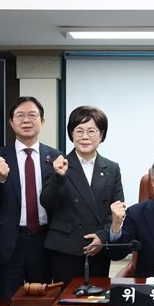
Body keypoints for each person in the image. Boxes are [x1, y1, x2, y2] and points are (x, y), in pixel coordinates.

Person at [0, 96, 62, 299]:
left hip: (44, 242)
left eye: (32, 115)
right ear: (11, 122)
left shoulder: (55, 157)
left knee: (42, 301)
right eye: (20, 115)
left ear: (42, 121)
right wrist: (0, 178)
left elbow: (59, 200)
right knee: (8, 302)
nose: (26, 120)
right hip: (10, 241)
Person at [39, 106, 124, 286]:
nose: (85, 136)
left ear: (101, 135)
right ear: (71, 134)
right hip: (65, 248)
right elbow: (46, 202)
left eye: (91, 131)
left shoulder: (112, 168)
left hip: (98, 248)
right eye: (79, 131)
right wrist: (59, 177)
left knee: (98, 299)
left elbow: (117, 208)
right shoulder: (58, 163)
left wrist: (102, 236)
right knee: (66, 299)